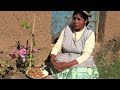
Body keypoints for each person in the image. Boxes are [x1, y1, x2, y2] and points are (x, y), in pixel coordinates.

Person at [49, 11, 99, 79]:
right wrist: (52, 61)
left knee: (78, 73)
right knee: (55, 67)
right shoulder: (66, 29)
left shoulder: (89, 34)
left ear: (85, 21)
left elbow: (85, 55)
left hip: (80, 61)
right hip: (66, 57)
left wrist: (67, 65)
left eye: (79, 19)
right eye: (74, 18)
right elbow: (57, 45)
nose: (75, 21)